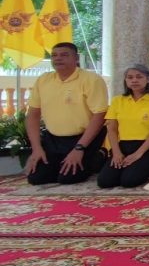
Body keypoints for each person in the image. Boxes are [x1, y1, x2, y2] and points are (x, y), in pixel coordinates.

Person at [25, 42, 108, 185]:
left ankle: (98, 157)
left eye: (64, 55)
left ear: (76, 58)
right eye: (54, 55)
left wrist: (79, 148)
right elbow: (33, 115)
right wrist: (36, 149)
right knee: (36, 178)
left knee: (67, 179)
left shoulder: (92, 80)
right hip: (53, 139)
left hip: (84, 138)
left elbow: (100, 115)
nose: (58, 58)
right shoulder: (43, 80)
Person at [99, 64, 149, 188]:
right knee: (105, 182)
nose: (134, 80)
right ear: (125, 80)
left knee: (128, 181)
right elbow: (112, 130)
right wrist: (116, 152)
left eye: (139, 77)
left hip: (148, 147)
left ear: (148, 79)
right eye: (130, 77)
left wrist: (138, 154)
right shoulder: (117, 101)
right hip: (123, 146)